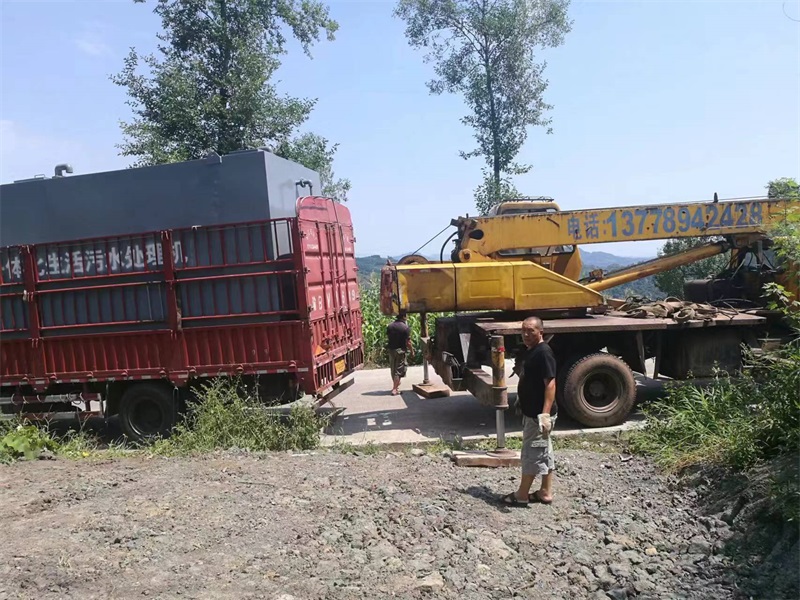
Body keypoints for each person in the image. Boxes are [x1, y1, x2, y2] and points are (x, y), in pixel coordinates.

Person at [500, 315, 558, 507]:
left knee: (531, 452)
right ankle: (545, 491)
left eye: (530, 331)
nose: (525, 334)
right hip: (533, 412)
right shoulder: (532, 351)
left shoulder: (544, 353)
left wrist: (545, 414)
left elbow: (550, 383)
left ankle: (522, 494)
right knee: (543, 449)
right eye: (523, 330)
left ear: (540, 332)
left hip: (538, 416)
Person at [386, 311, 414, 395]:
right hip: (400, 351)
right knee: (398, 370)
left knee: (393, 368)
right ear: (404, 317)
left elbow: (388, 337)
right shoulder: (405, 328)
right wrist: (412, 351)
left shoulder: (390, 326)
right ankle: (394, 389)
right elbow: (408, 342)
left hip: (391, 350)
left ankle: (396, 386)